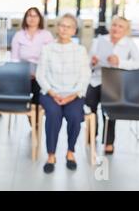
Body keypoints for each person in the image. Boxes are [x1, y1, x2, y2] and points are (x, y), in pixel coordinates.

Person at [36, 14, 91, 174]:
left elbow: (85, 76)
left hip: (74, 93)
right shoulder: (47, 48)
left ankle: (70, 152)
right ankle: (51, 155)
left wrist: (72, 95)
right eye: (62, 25)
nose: (64, 29)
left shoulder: (80, 50)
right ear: (57, 28)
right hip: (50, 92)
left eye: (69, 27)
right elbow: (41, 75)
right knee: (53, 114)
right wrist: (53, 93)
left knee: (74, 115)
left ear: (74, 31)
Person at [85, 16, 139, 154]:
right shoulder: (99, 40)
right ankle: (92, 134)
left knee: (110, 110)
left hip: (115, 82)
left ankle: (109, 141)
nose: (116, 29)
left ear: (126, 30)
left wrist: (119, 62)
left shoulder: (129, 43)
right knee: (90, 105)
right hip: (97, 79)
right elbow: (88, 62)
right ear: (110, 26)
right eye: (114, 25)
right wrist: (92, 62)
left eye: (120, 27)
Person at [11, 7, 54, 106]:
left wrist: (38, 73)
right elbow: (14, 59)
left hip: (41, 71)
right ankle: (31, 114)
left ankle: (35, 117)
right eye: (29, 15)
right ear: (25, 18)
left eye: (35, 16)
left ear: (40, 18)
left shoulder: (46, 35)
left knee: (39, 88)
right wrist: (24, 73)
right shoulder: (19, 35)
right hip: (23, 71)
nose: (32, 18)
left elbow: (51, 58)